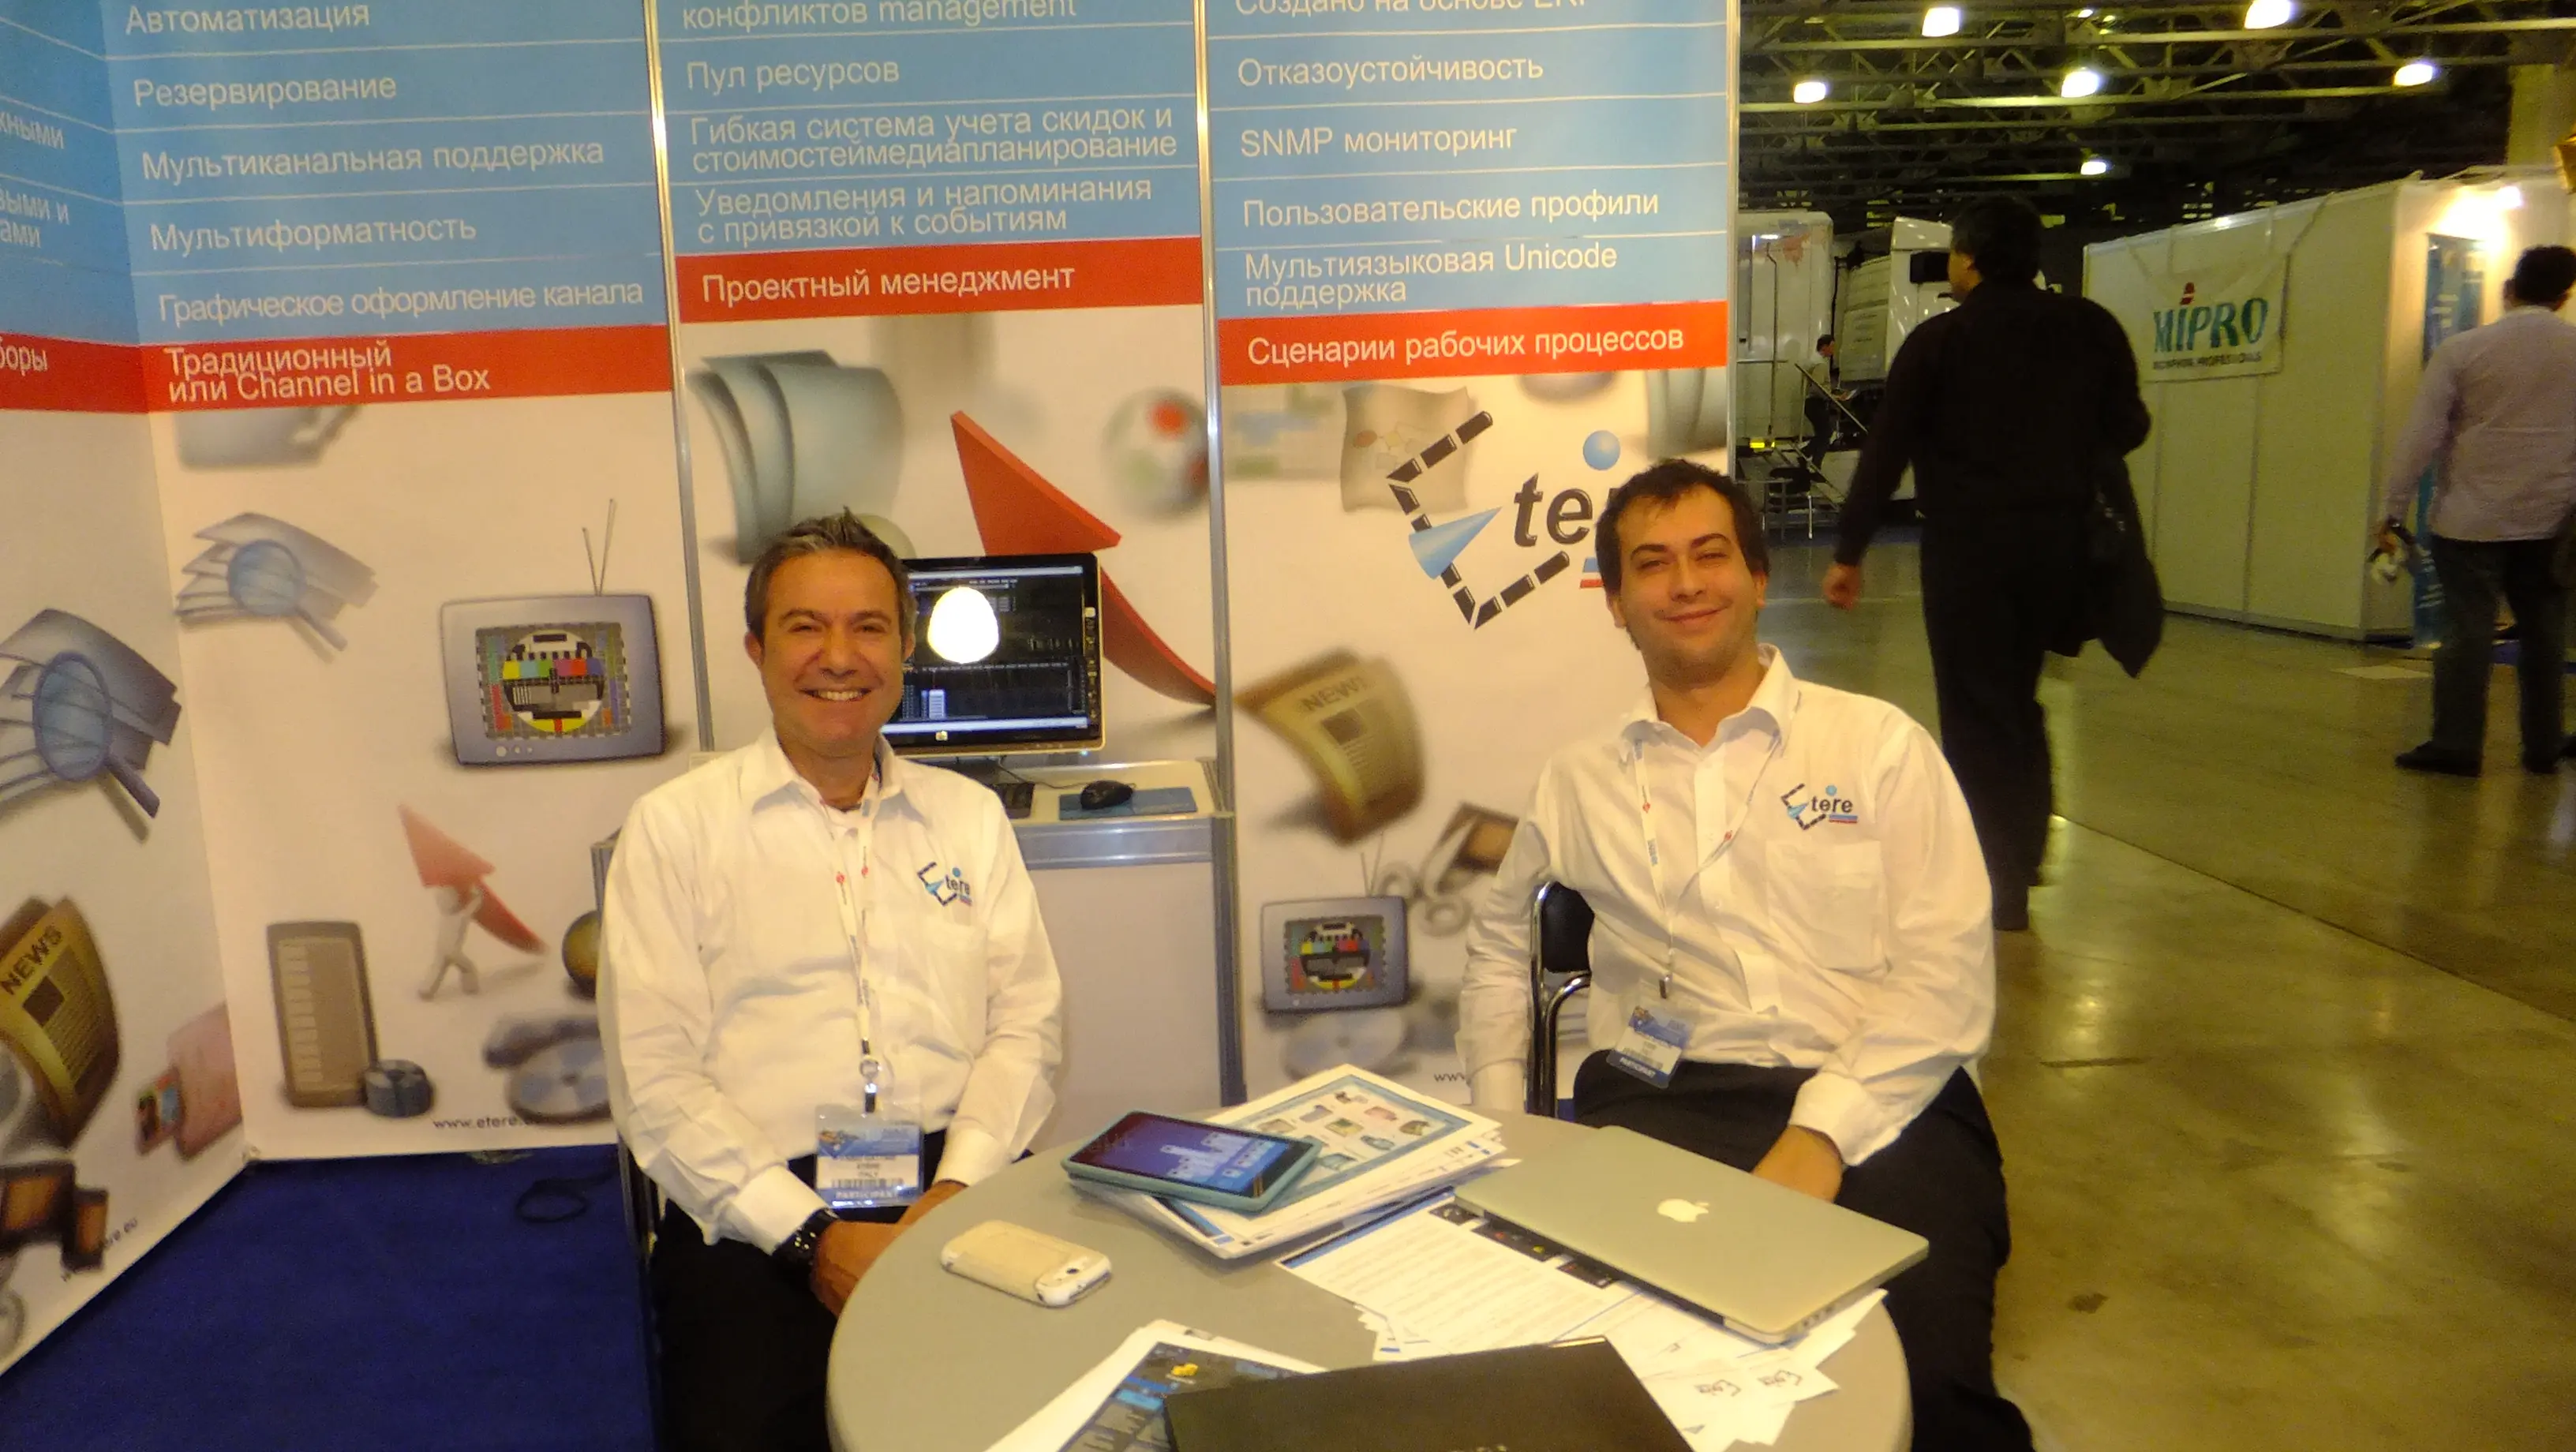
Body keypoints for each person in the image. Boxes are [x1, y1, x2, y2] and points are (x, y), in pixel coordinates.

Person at [1459, 460, 2031, 1452]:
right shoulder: (1579, 779)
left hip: (1891, 1101)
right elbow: (1499, 942)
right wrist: (1503, 1128)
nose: (1685, 583)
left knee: (1923, 1383)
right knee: (1638, 1381)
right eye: (1652, 564)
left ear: (1759, 577)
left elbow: (1946, 978)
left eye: (1710, 554)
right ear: (1617, 604)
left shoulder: (1877, 746)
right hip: (1664, 1100)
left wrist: (1820, 1135)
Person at [601, 511, 1064, 1452]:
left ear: (904, 647)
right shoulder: (675, 829)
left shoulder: (969, 818)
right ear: (757, 649)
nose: (839, 657)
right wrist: (813, 1237)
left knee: (1021, 1424)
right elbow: (655, 1078)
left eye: (869, 627)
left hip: (953, 1183)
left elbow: (1027, 1025)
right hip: (753, 1211)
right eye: (805, 627)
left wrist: (958, 1188)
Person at [1822, 197, 2150, 931]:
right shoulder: (2090, 327)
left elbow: (1886, 450)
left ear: (1966, 258)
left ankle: (1996, 882)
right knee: (2019, 699)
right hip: (2060, 548)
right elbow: (2130, 424)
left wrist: (1849, 551)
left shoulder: (1941, 341)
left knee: (1977, 710)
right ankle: (2023, 854)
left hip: (1969, 551)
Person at [2376, 244, 2576, 777]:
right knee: (2546, 633)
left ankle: (2457, 745)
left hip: (2470, 519)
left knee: (2468, 632)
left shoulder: (2464, 350)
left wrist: (2393, 509)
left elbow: (2422, 435)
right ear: (2564, 297)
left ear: (2509, 289)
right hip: (2554, 519)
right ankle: (2544, 745)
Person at [1802, 333, 1844, 455]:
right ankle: (1809, 457)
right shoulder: (1820, 364)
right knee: (1825, 434)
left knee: (1823, 433)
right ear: (1824, 347)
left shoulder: (1814, 360)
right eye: (1832, 346)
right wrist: (1834, 398)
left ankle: (1807, 456)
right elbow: (1818, 388)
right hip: (1816, 403)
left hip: (1812, 403)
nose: (1833, 350)